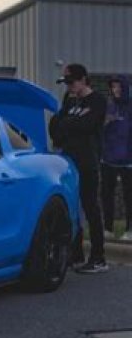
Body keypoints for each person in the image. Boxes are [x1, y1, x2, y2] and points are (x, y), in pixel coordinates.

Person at [48, 63, 108, 274]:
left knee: (91, 208)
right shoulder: (70, 100)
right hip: (69, 160)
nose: (69, 87)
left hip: (88, 161)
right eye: (66, 83)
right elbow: (55, 125)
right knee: (71, 208)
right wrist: (67, 124)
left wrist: (67, 124)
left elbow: (88, 125)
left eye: (71, 82)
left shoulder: (97, 101)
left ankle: (98, 257)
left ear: (83, 79)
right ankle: (76, 254)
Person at [101, 76, 132, 241]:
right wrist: (106, 122)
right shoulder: (108, 106)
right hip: (108, 158)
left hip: (128, 160)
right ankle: (108, 228)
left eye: (119, 87)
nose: (116, 90)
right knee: (107, 195)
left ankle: (130, 229)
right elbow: (98, 129)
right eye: (113, 87)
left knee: (129, 196)